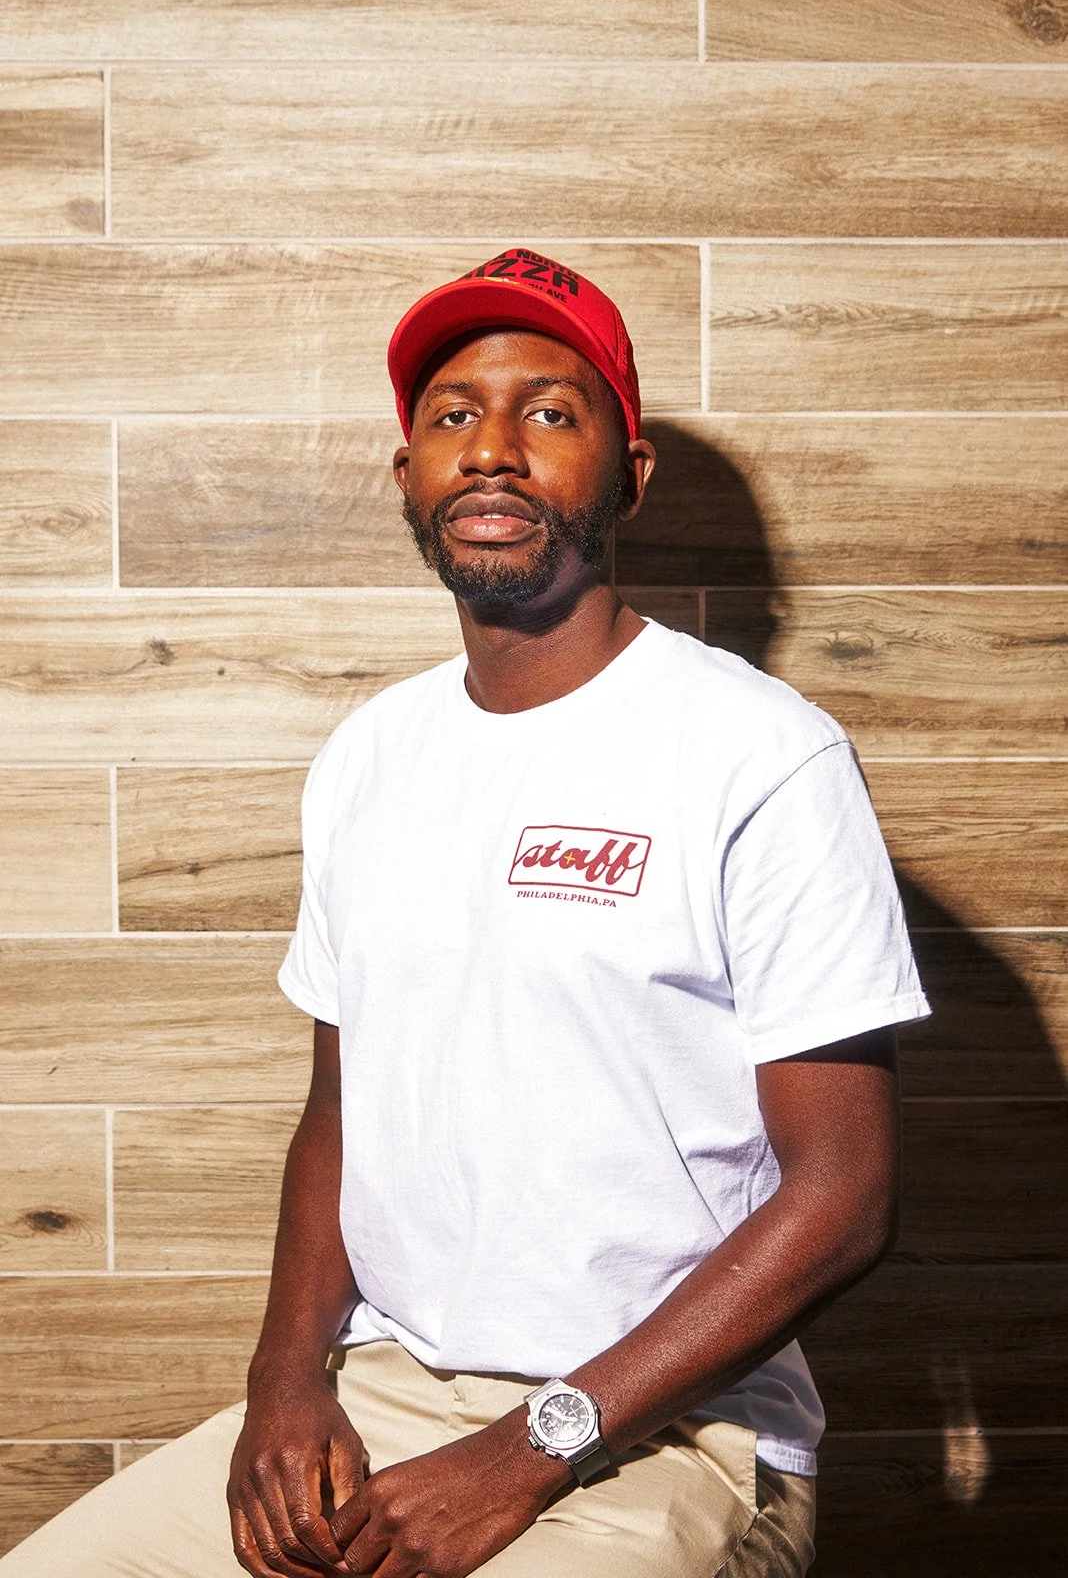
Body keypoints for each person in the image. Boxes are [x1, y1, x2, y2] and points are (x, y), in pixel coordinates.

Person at [1, 247, 931, 1578]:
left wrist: (523, 1452)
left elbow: (845, 1194)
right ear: (408, 477)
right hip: (382, 1395)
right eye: (452, 415)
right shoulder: (370, 757)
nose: (493, 448)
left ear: (630, 470)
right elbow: (342, 1109)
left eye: (550, 412)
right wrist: (282, 1383)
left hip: (669, 1434)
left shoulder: (759, 754)